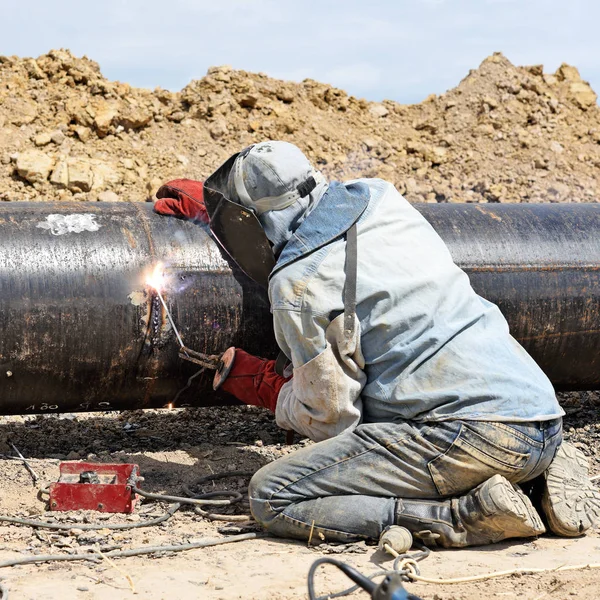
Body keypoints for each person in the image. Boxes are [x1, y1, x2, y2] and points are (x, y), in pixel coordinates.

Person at [154, 141, 600, 548]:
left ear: (250, 221)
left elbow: (332, 420)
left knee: (272, 496)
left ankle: (456, 517)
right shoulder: (382, 197)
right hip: (539, 413)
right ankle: (535, 477)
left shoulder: (297, 287)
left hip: (469, 435)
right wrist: (222, 216)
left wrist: (275, 391)